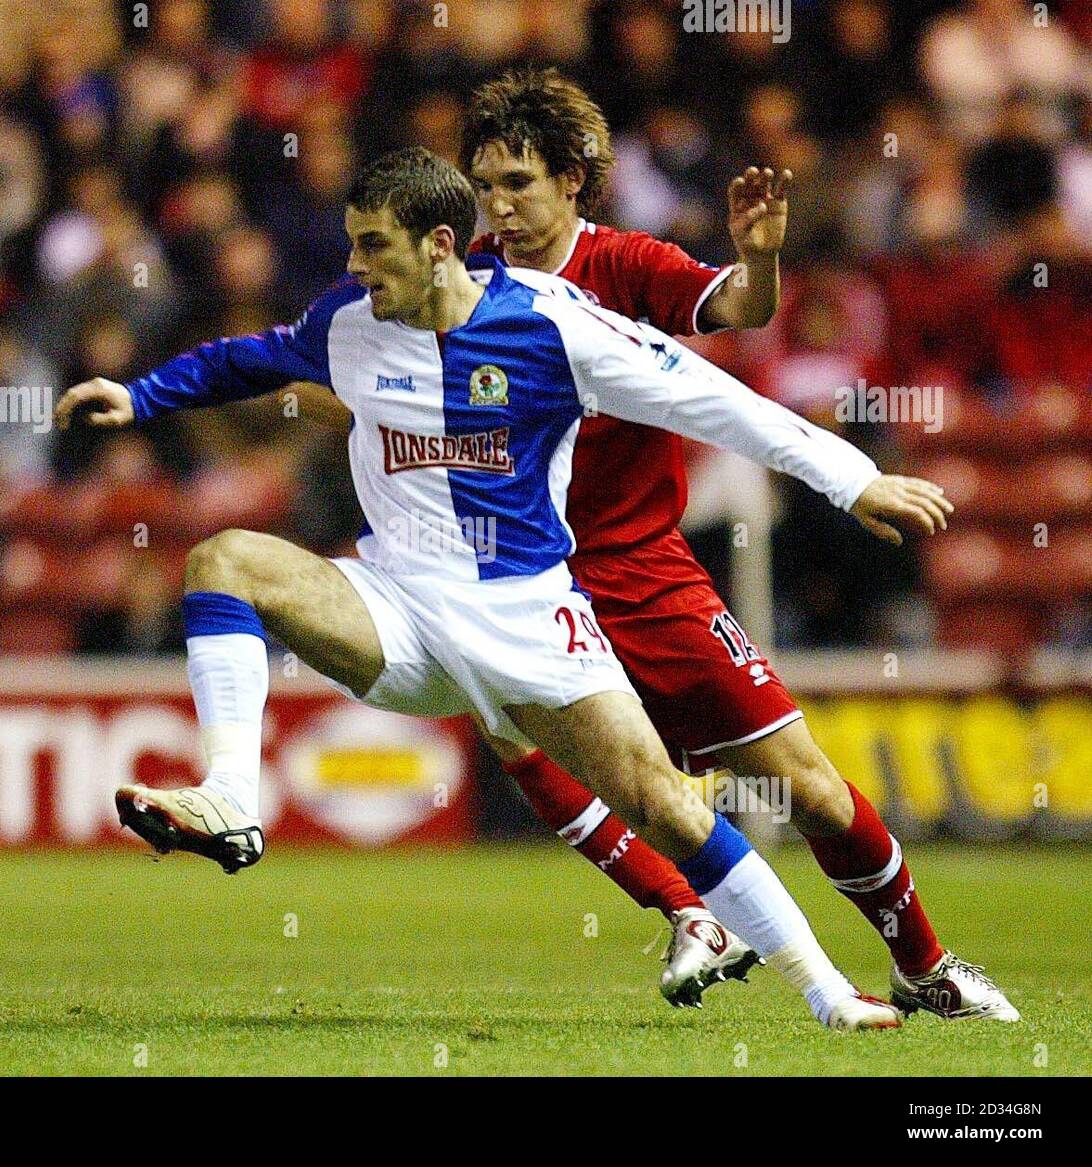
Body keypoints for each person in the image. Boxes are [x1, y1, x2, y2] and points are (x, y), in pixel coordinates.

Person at [54, 147, 949, 1030]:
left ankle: (830, 993)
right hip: (396, 610)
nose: (355, 266)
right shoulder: (350, 321)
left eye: (373, 247)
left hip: (524, 619)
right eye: (353, 245)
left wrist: (852, 477)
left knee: (667, 806)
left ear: (439, 243)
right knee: (224, 560)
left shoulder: (557, 326)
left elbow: (717, 402)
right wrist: (141, 397)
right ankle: (232, 799)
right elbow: (251, 358)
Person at [458, 67, 1016, 1021]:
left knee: (806, 785)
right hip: (529, 575)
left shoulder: (625, 263)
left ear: (575, 180)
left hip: (642, 571)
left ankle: (923, 963)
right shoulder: (463, 278)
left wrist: (758, 263)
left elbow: (736, 312)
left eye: (519, 183)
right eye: (486, 185)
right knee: (525, 745)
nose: (498, 208)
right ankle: (689, 913)